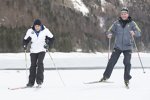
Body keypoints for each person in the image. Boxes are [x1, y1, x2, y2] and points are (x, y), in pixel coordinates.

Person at [100, 7, 141, 87]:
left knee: (127, 63)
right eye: (122, 14)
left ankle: (126, 79)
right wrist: (109, 34)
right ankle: (105, 76)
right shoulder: (116, 23)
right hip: (117, 47)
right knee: (111, 62)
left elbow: (139, 32)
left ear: (127, 14)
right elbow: (109, 30)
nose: (123, 15)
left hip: (128, 47)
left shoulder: (132, 23)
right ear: (120, 15)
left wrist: (134, 33)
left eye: (125, 14)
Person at [23, 19, 54, 87]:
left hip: (42, 50)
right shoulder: (30, 31)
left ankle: (39, 81)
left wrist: (48, 44)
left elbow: (52, 38)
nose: (37, 27)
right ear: (34, 26)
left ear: (40, 26)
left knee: (40, 63)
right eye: (36, 26)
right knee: (33, 65)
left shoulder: (45, 30)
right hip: (33, 50)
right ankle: (31, 82)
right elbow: (25, 39)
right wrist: (25, 45)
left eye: (38, 26)